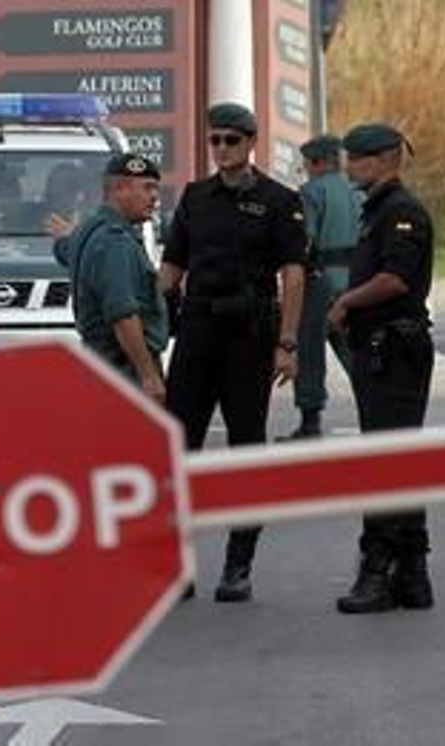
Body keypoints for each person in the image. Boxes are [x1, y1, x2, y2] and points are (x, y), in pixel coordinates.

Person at [158, 103, 307, 603]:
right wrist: (152, 321)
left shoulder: (279, 200)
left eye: (231, 140)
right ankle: (176, 564)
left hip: (249, 336)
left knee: (245, 448)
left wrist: (287, 343)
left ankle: (238, 564)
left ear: (250, 142)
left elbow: (294, 274)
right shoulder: (196, 197)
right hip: (197, 332)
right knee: (180, 447)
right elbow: (173, 266)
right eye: (215, 140)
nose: (221, 149)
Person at [327, 123, 435, 614]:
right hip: (383, 347)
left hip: (394, 347)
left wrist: (347, 300)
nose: (349, 165)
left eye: (358, 157)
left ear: (387, 158)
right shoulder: (378, 209)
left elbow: (395, 279)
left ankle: (378, 572)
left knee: (386, 461)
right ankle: (412, 576)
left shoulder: (400, 212)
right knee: (399, 459)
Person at [49, 153, 166, 401]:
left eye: (155, 188)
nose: (155, 196)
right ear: (119, 190)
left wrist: (63, 239)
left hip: (100, 367)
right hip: (124, 370)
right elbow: (123, 314)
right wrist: (148, 375)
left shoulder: (89, 230)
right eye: (147, 187)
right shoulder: (115, 242)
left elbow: (68, 250)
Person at [285, 134, 361, 440]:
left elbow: (304, 241)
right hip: (356, 282)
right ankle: (376, 416)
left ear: (318, 162)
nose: (305, 169)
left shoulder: (311, 192)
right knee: (355, 351)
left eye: (306, 163)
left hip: (319, 281)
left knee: (309, 351)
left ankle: (310, 422)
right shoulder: (359, 191)